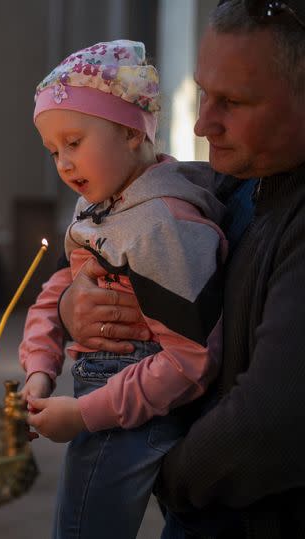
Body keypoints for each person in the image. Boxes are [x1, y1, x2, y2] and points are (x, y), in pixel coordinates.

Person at [52, 2, 305, 537]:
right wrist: (73, 302)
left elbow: (268, 423)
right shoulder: (215, 182)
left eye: (233, 102)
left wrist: (156, 470)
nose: (200, 122)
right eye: (203, 91)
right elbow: (107, 246)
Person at [18, 40, 229, 539]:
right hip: (102, 399)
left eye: (73, 142)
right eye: (53, 151)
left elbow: (190, 360)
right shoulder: (105, 203)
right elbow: (58, 289)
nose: (63, 164)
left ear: (133, 131)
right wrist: (39, 368)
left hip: (132, 411)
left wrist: (85, 414)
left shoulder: (161, 223)